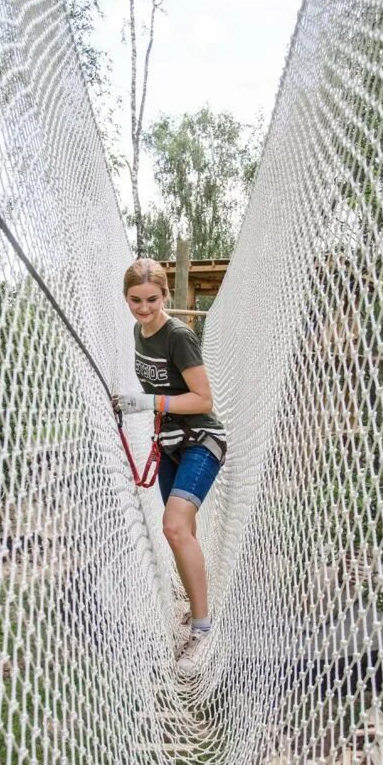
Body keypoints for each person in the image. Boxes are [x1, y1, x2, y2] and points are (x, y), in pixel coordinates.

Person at [112, 258, 227, 672]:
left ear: (164, 296)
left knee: (174, 527)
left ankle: (202, 631)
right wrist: (132, 403)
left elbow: (203, 400)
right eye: (135, 300)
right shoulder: (138, 333)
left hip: (203, 440)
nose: (144, 308)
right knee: (184, 533)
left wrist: (148, 402)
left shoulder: (178, 336)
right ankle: (197, 609)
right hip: (171, 443)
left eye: (152, 300)